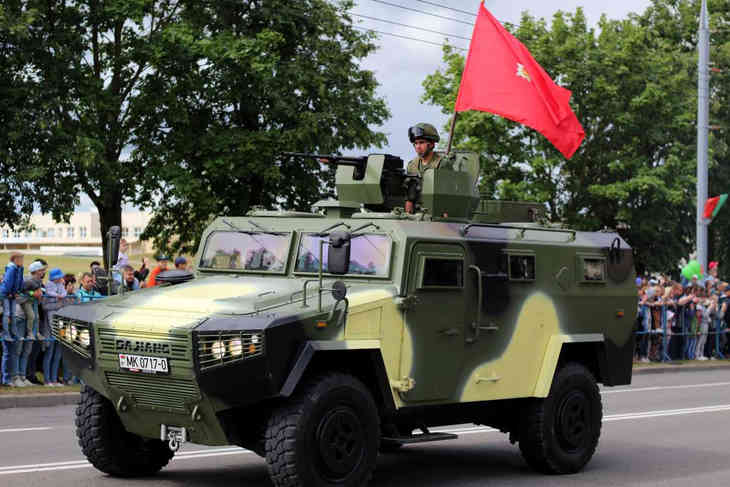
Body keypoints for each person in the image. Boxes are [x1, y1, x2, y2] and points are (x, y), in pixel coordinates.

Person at [0, 252, 24, 341]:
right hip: (6, 294)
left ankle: (14, 333)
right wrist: (10, 292)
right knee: (6, 314)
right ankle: (6, 334)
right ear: (15, 259)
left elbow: (20, 281)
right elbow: (8, 282)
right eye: (21, 259)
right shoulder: (11, 268)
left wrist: (17, 291)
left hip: (12, 294)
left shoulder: (19, 268)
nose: (22, 261)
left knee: (13, 314)